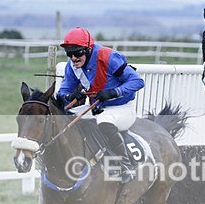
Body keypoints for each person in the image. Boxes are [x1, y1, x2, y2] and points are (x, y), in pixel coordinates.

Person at [57, 27, 145, 182]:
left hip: (122, 108)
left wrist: (114, 92)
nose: (73, 58)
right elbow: (62, 95)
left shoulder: (109, 58)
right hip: (97, 108)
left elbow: (138, 81)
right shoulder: (71, 67)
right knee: (65, 119)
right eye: (69, 53)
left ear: (88, 49)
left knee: (104, 122)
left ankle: (126, 166)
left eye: (77, 53)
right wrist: (70, 96)